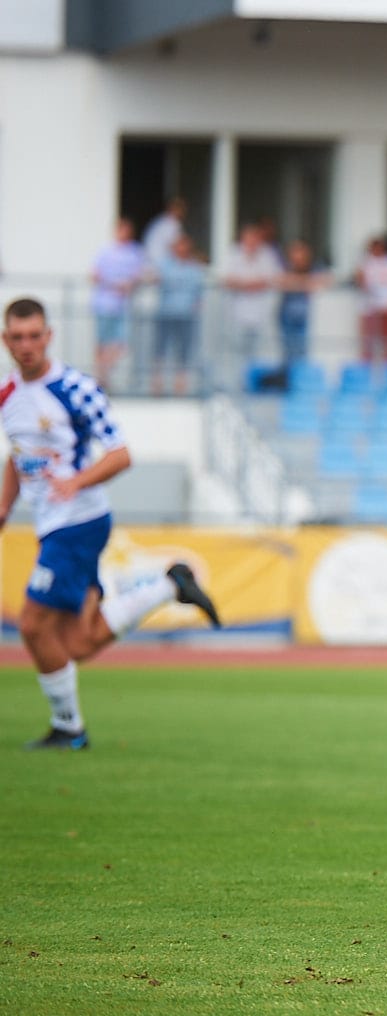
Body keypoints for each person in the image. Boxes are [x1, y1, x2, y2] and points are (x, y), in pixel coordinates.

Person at [0, 297, 222, 751]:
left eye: (34, 335)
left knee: (33, 625)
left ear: (49, 336)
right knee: (77, 642)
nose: (26, 345)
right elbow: (18, 458)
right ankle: (169, 586)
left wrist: (75, 482)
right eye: (17, 337)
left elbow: (121, 455)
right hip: (53, 524)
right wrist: (4, 510)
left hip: (78, 522)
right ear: (5, 340)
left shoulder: (76, 389)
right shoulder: (7, 394)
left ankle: (68, 728)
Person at [223, 222, 283, 388]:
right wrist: (250, 284)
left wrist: (245, 284)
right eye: (248, 239)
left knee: (259, 352)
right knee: (236, 351)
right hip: (237, 314)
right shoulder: (233, 254)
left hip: (260, 315)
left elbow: (271, 279)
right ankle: (235, 384)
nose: (252, 242)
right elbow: (228, 280)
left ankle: (254, 385)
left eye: (254, 239)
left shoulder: (267, 255)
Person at [90, 217, 146, 391]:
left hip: (123, 307)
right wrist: (114, 285)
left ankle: (103, 373)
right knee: (102, 343)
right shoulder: (106, 252)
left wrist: (130, 284)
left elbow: (142, 274)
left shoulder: (135, 252)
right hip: (104, 305)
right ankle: (102, 379)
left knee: (121, 344)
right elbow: (94, 275)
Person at [152, 233, 207, 396]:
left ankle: (180, 385)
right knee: (160, 350)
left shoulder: (194, 268)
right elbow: (159, 280)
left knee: (183, 351)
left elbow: (198, 291)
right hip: (166, 313)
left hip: (186, 315)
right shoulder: (165, 265)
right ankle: (157, 383)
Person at [277, 239, 330, 376]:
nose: (298, 257)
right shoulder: (286, 267)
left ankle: (299, 379)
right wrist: (305, 283)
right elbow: (280, 281)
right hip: (287, 316)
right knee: (288, 351)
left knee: (303, 351)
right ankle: (288, 379)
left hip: (305, 317)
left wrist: (297, 283)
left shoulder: (315, 268)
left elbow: (325, 280)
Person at [355, 235, 387, 365]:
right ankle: (366, 367)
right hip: (370, 307)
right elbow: (359, 280)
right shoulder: (365, 262)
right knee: (368, 343)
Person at [142, 197, 187, 267]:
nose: (183, 212)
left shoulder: (161, 220)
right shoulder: (172, 223)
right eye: (181, 208)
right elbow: (179, 248)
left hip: (149, 262)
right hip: (159, 263)